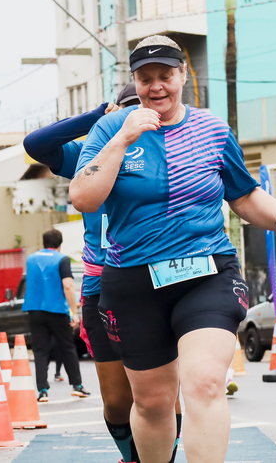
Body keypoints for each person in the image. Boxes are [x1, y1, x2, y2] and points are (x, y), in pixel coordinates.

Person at [69, 35, 276, 463]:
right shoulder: (111, 129)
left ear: (183, 75)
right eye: (146, 79)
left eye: (165, 76)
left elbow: (243, 196)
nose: (157, 87)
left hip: (206, 272)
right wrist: (121, 140)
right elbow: (84, 197)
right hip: (132, 280)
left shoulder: (212, 129)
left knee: (204, 382)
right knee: (151, 403)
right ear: (135, 81)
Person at [25, 85, 183, 463]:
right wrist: (97, 116)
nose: (139, 116)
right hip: (102, 285)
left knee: (163, 395)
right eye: (131, 109)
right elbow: (36, 144)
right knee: (116, 400)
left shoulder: (172, 151)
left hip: (157, 280)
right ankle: (132, 455)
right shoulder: (90, 154)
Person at [22, 229, 90, 401]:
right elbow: (68, 286)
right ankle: (77, 386)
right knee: (67, 347)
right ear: (60, 244)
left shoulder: (31, 259)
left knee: (40, 350)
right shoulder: (62, 259)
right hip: (57, 310)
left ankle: (43, 390)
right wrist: (74, 312)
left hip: (34, 310)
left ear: (44, 242)